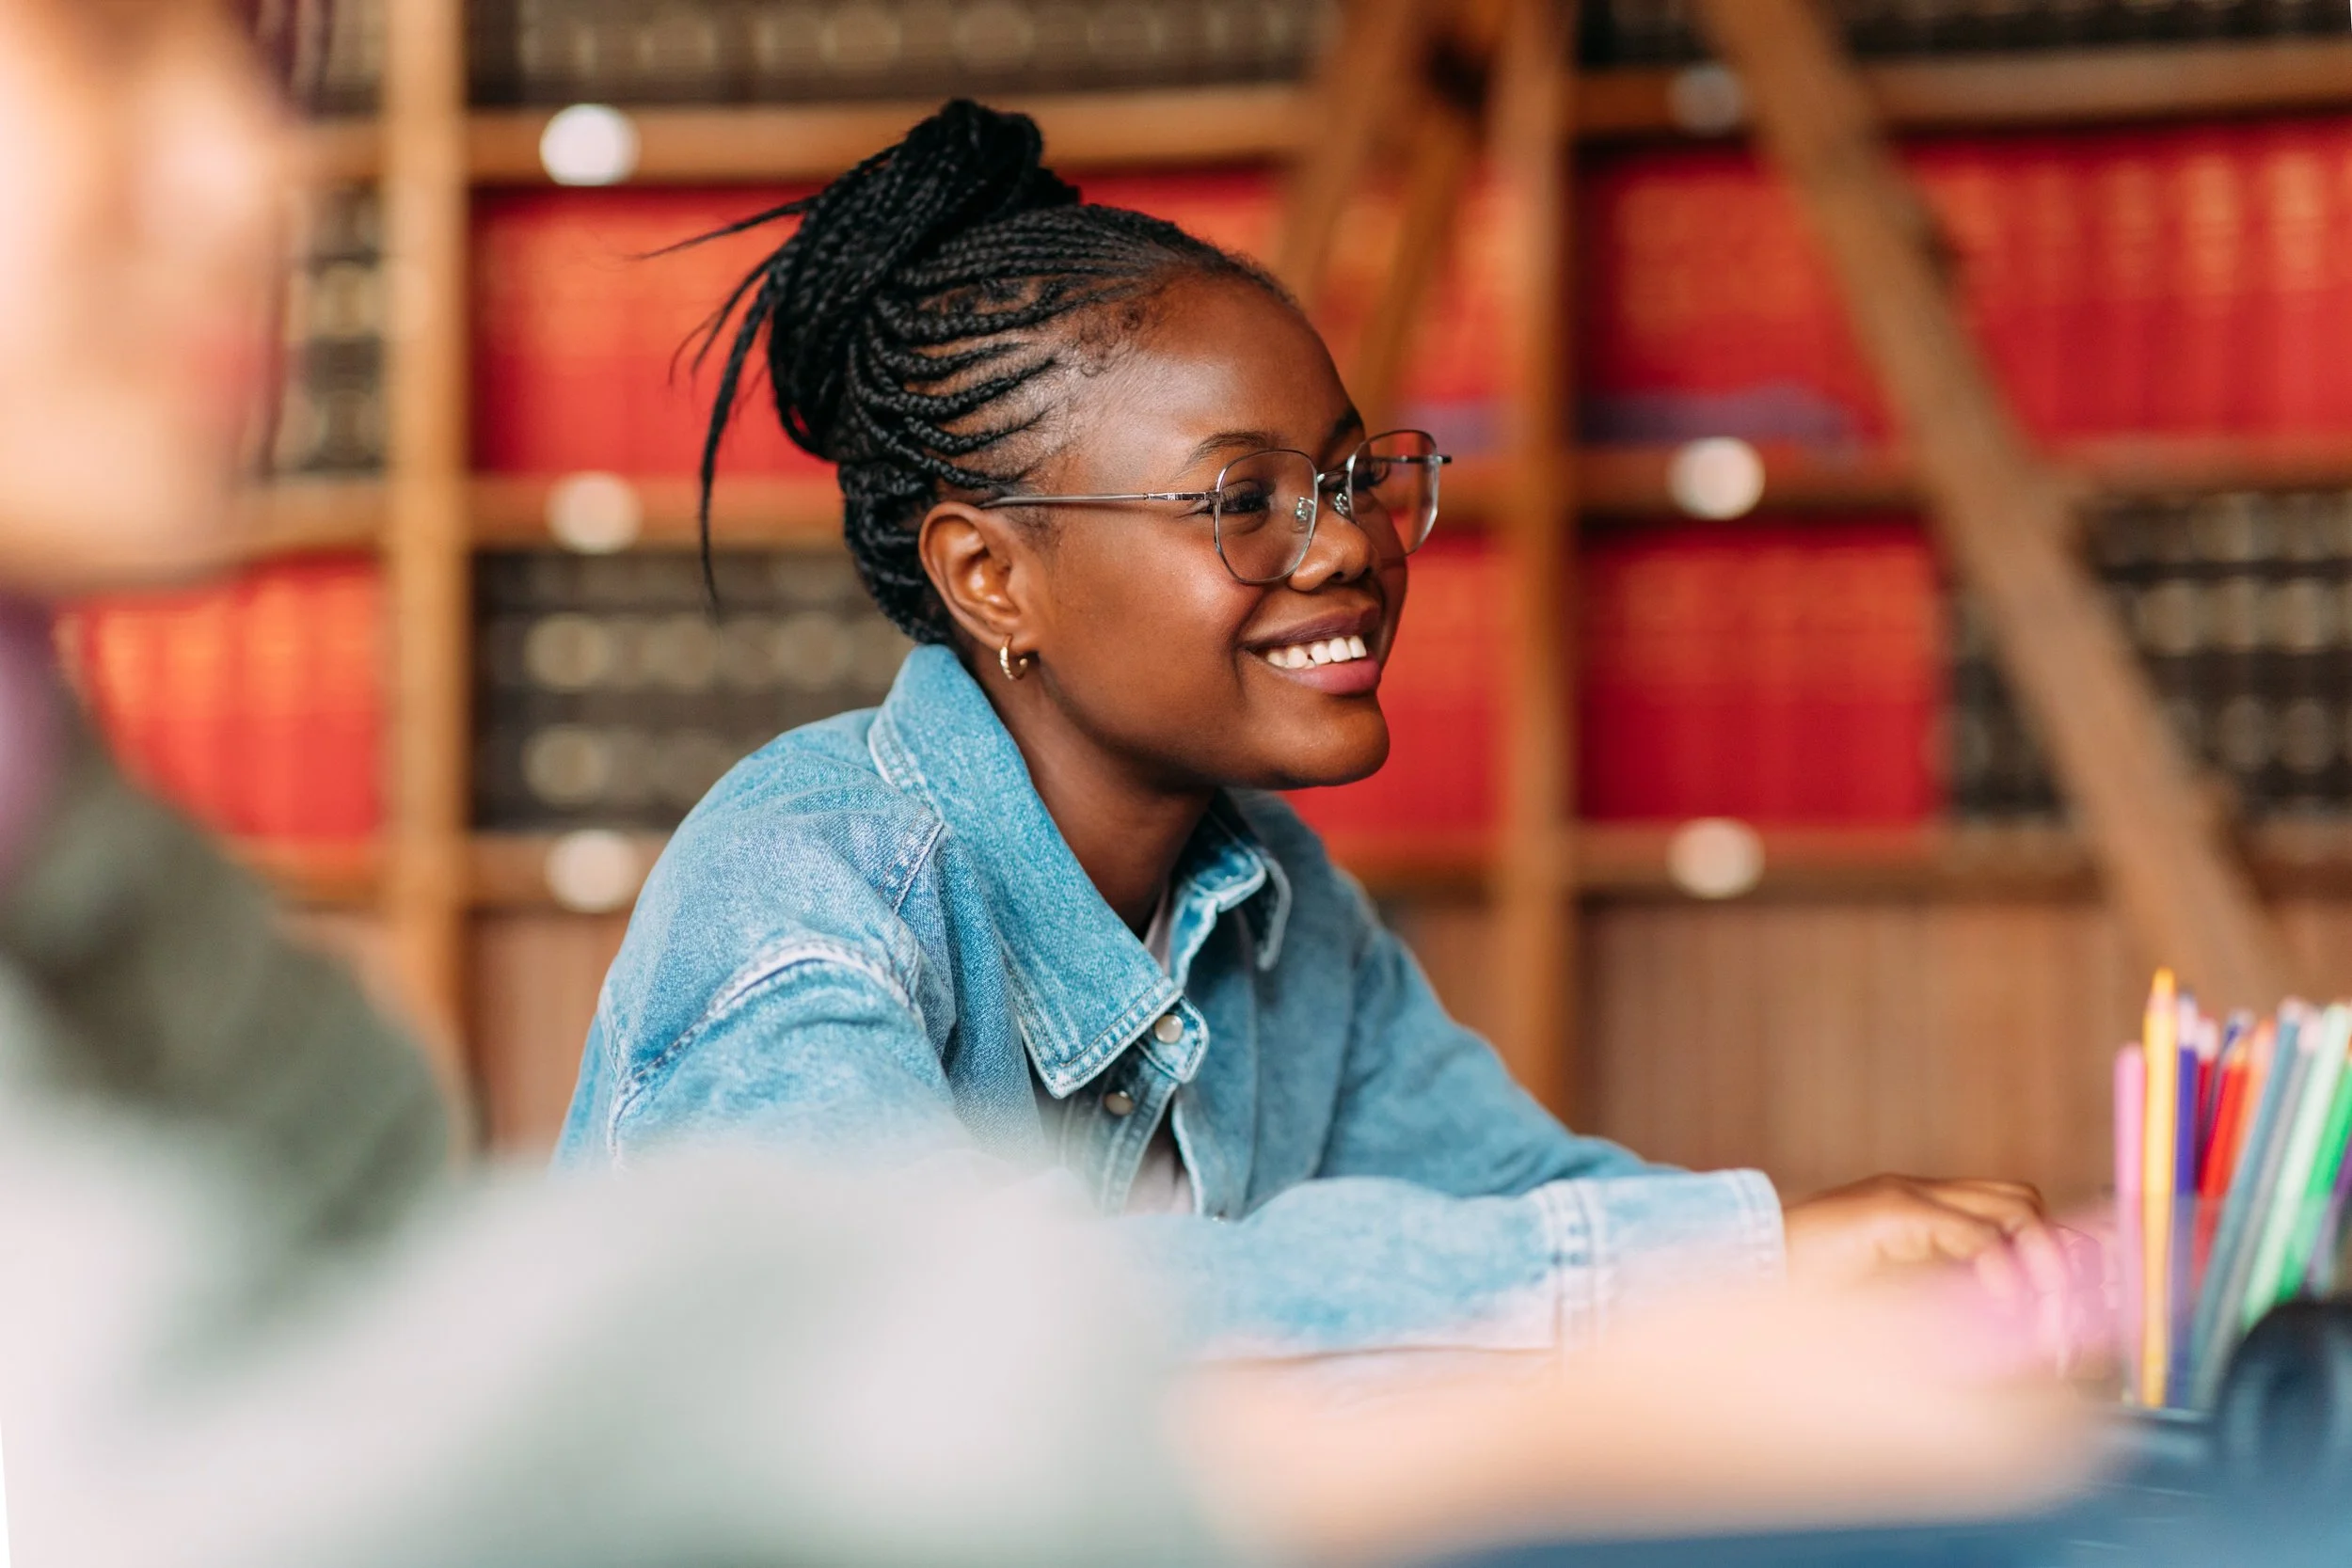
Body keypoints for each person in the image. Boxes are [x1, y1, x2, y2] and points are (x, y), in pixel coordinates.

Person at [556, 99, 2073, 1356]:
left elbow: (1519, 1208)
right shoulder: (796, 900)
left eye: (1353, 477)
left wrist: (1865, 1295)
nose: (1346, 542)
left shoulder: (1279, 909)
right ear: (990, 575)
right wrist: (1726, 1256)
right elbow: (965, 1339)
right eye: (1244, 501)